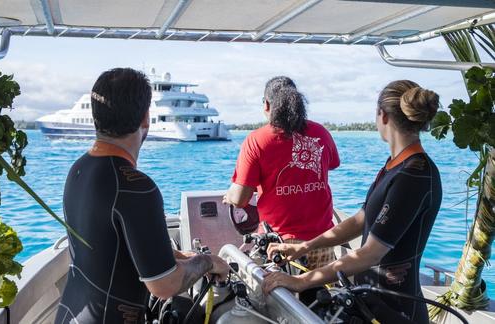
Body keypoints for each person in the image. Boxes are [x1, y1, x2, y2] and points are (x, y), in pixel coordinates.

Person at [55, 68, 229, 324]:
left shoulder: (79, 169)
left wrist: (182, 257)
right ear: (146, 118)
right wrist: (209, 262)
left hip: (70, 315)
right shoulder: (136, 188)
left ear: (96, 117)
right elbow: (164, 285)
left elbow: (113, 250)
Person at [263, 80, 442, 324]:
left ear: (383, 116)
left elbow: (370, 254)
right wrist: (303, 247)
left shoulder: (414, 175)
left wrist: (300, 281)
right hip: (371, 303)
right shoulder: (395, 166)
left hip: (397, 311)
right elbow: (361, 219)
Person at [223, 76, 340, 270]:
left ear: (267, 105)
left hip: (279, 244)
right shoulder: (321, 132)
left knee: (279, 298)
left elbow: (241, 198)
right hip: (322, 241)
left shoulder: (257, 140)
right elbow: (332, 164)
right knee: (322, 297)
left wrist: (230, 197)